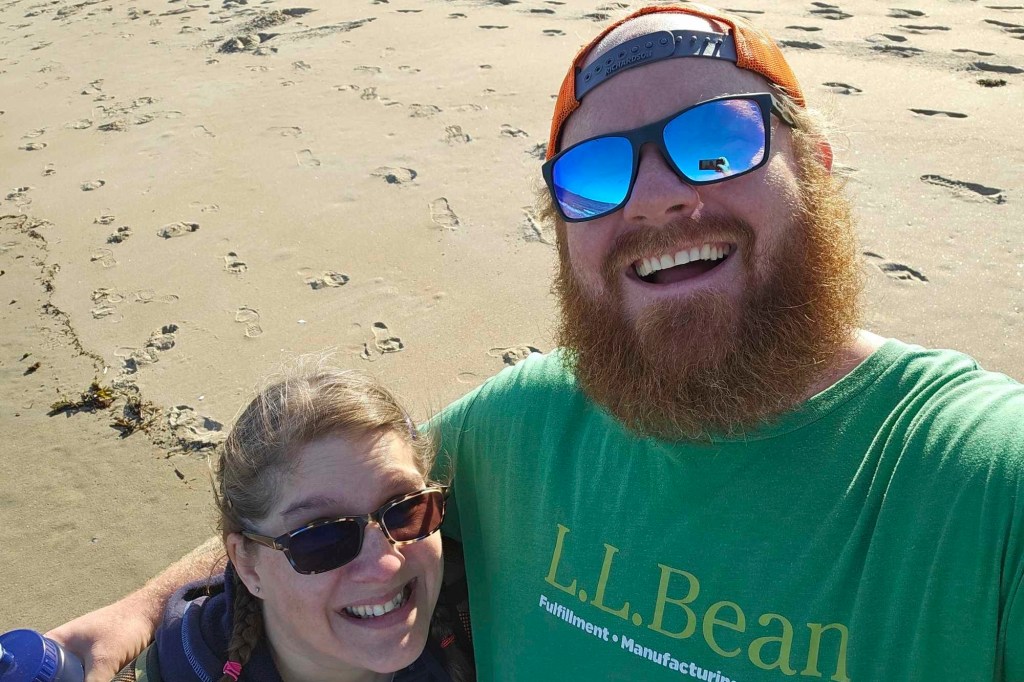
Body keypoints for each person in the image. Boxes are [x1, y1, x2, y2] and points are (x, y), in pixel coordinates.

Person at [51, 4, 1024, 681]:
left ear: (811, 164)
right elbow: (318, 511)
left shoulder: (975, 477)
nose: (653, 196)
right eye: (594, 175)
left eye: (715, 141)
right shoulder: (524, 423)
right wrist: (135, 613)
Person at [107, 365, 472, 682]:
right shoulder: (180, 670)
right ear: (248, 563)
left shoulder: (484, 619)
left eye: (405, 509)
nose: (385, 564)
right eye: (322, 538)